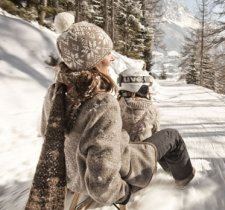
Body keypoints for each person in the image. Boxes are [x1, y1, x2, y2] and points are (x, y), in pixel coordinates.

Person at [39, 22, 194, 209]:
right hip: (124, 170)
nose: (111, 58)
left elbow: (47, 134)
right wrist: (124, 194)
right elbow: (102, 184)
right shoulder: (102, 103)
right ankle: (184, 178)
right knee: (171, 137)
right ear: (93, 60)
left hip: (72, 176)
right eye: (106, 53)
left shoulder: (55, 93)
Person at [117, 68, 160, 142]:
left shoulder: (115, 106)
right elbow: (156, 135)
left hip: (119, 151)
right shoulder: (153, 109)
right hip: (144, 152)